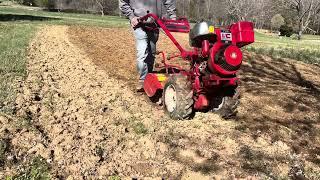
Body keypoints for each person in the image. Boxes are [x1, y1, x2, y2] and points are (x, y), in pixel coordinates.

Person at [119, 0, 177, 92]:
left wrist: (172, 16)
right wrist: (131, 16)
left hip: (155, 23)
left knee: (152, 52)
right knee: (142, 52)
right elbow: (123, 2)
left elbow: (169, 1)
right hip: (138, 23)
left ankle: (149, 77)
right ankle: (142, 79)